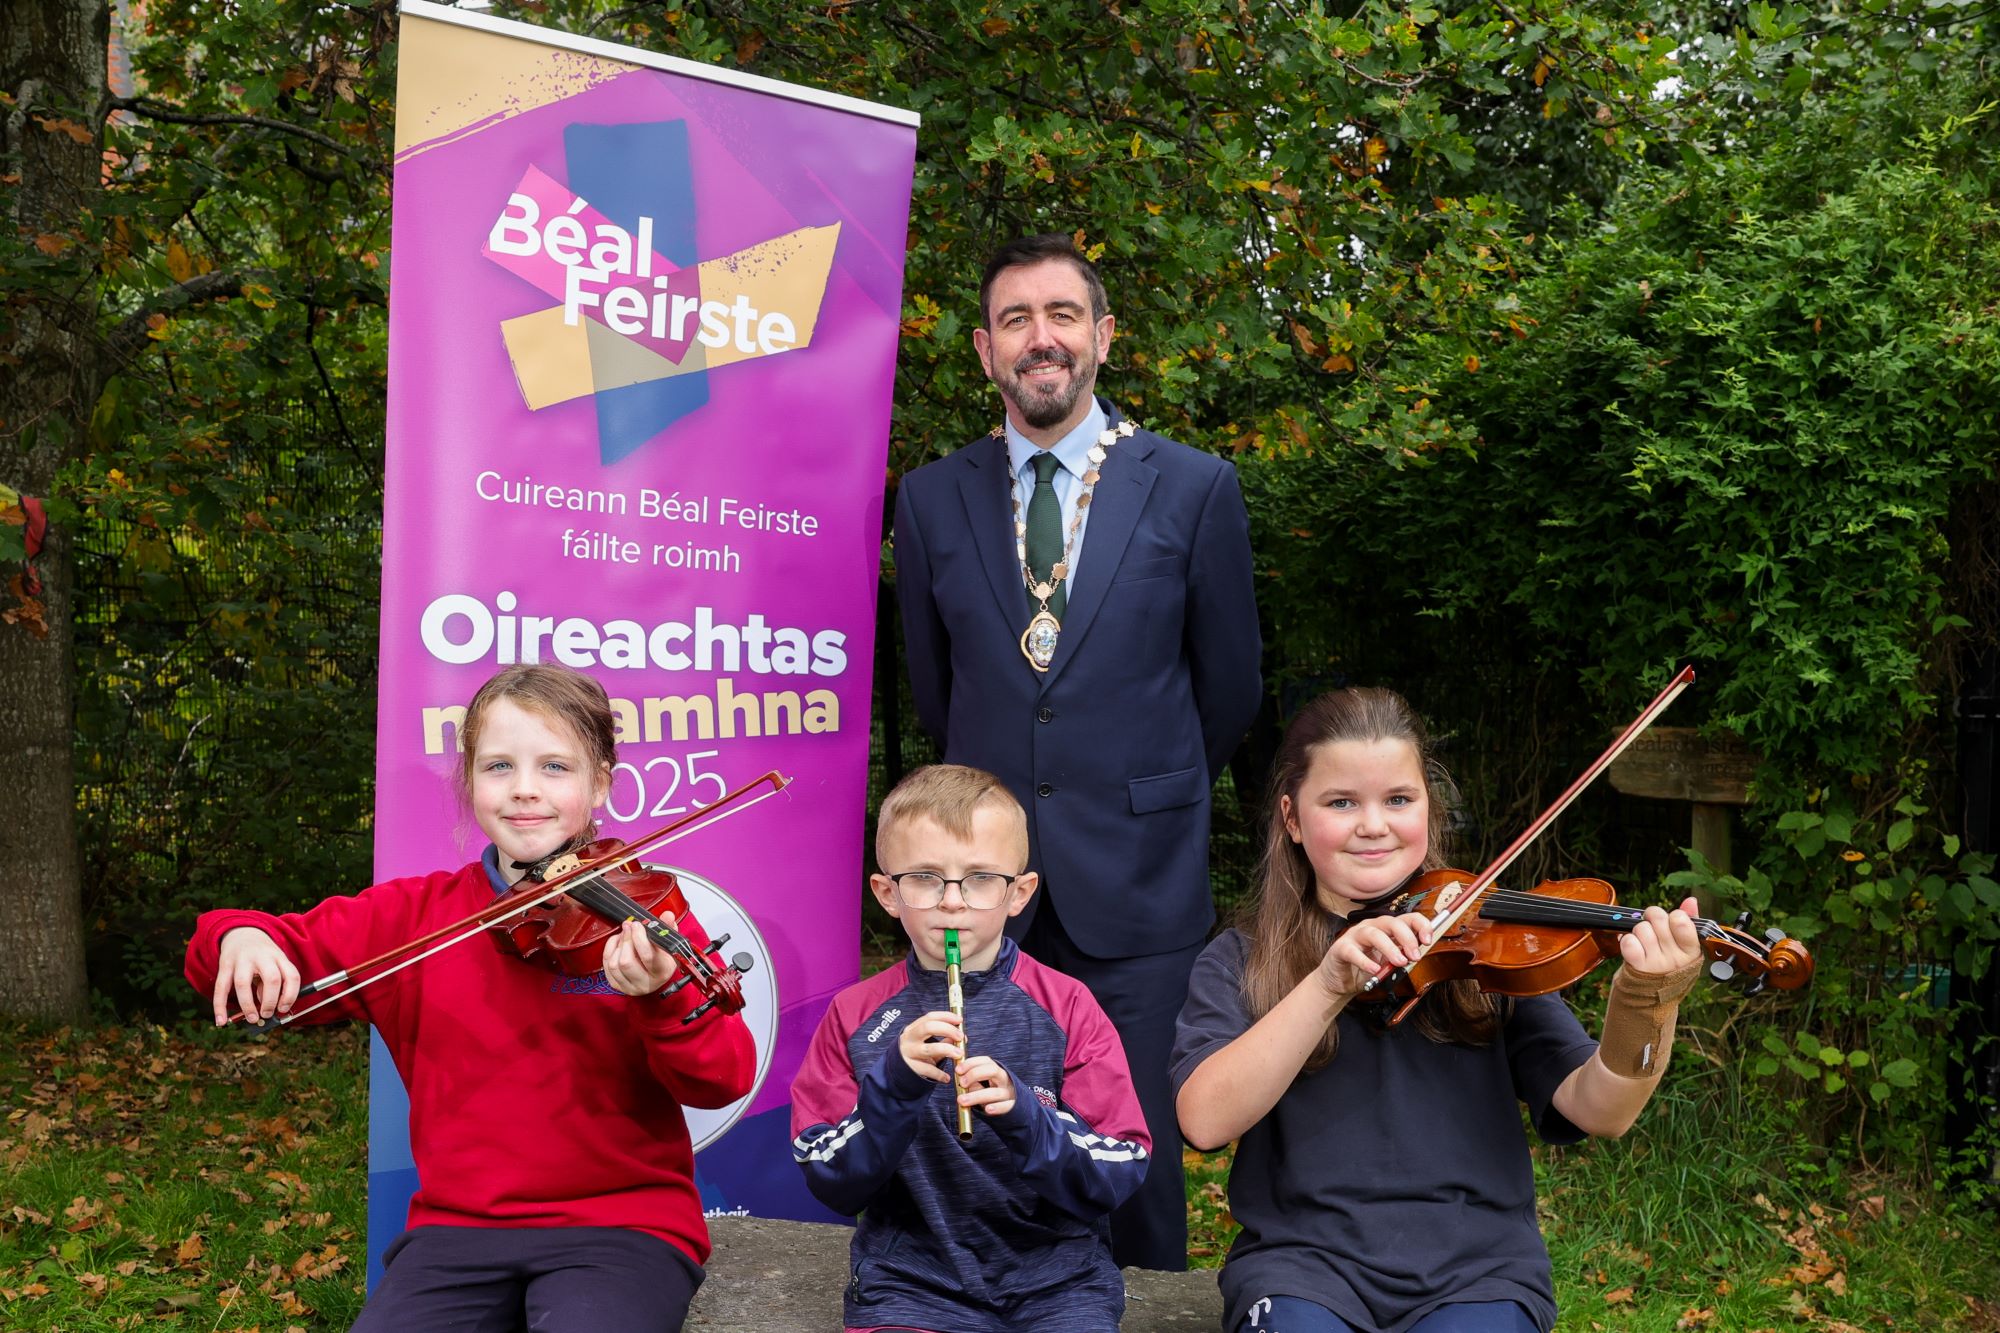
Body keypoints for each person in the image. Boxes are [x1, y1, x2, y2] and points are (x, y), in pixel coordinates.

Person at [892, 232, 1262, 1270]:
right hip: (983, 884)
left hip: (1137, 883)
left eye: (1061, 314)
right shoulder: (929, 500)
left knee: (1125, 1143)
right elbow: (937, 685)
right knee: (981, 1138)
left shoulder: (1191, 488)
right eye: (1014, 319)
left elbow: (1228, 685)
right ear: (982, 350)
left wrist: (1142, 789)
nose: (1038, 338)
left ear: (1101, 336)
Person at [185, 664, 755, 1333]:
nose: (524, 790)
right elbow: (252, 943)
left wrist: (659, 996)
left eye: (554, 767)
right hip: (457, 1232)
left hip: (622, 1227)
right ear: (469, 779)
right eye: (498, 766)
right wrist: (241, 936)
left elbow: (723, 1078)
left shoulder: (644, 918)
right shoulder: (415, 915)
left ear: (600, 781)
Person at [1171, 687, 1706, 1333]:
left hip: (1479, 1273)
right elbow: (1203, 1121)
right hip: (1302, 1270)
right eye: (1342, 802)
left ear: (1429, 806)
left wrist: (1645, 1001)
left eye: (1399, 799)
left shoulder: (1487, 947)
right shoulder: (1243, 957)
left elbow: (1604, 1109)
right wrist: (1327, 982)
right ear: (1291, 817)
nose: (1374, 824)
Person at [790, 764, 1152, 1332]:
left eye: (981, 878)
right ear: (888, 893)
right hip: (910, 1284)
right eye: (925, 877)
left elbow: (1120, 1168)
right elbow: (829, 1176)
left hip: (1058, 1282)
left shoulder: (1068, 1004)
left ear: (1019, 894)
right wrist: (893, 1087)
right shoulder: (856, 1015)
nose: (952, 903)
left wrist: (1028, 1117)